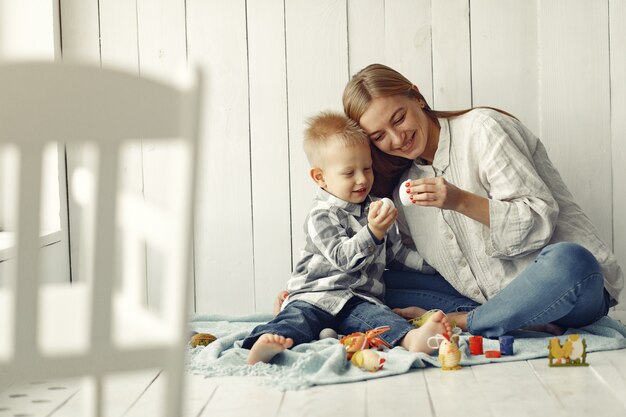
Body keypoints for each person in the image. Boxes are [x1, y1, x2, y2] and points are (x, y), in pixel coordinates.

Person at [340, 63, 624, 338]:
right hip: (483, 297)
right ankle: (510, 319)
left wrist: (459, 200)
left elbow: (537, 219)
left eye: (399, 118)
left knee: (571, 261)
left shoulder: (483, 129)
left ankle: (466, 321)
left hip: (567, 290)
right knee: (366, 281)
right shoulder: (405, 186)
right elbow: (414, 260)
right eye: (379, 136)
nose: (396, 138)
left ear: (417, 96)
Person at [243, 111, 452, 364]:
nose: (362, 179)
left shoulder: (376, 206)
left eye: (367, 168)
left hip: (359, 299)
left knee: (381, 320)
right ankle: (266, 344)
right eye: (349, 173)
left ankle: (412, 340)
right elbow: (343, 258)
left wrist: (435, 265)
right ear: (320, 177)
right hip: (316, 296)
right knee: (297, 319)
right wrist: (373, 232)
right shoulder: (321, 215)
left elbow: (396, 254)